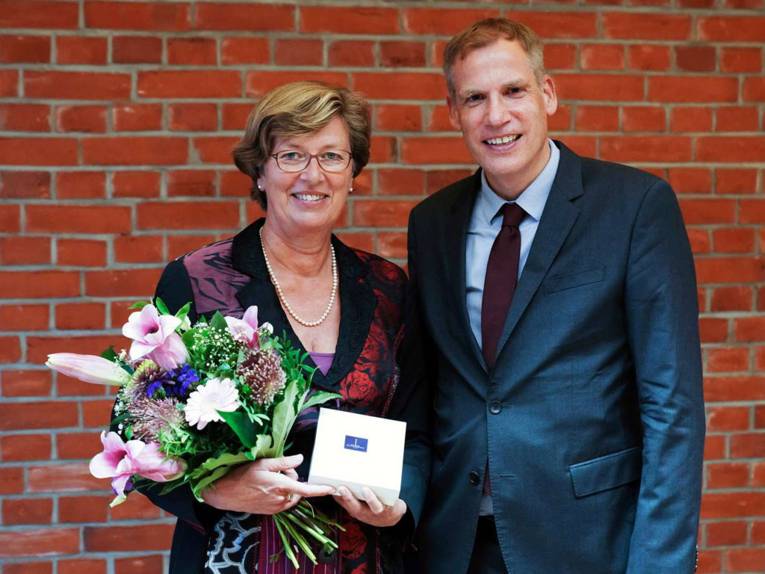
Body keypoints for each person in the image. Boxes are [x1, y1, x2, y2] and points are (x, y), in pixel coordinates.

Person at [406, 18, 705, 574]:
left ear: (547, 94)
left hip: (587, 540)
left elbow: (672, 407)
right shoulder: (432, 224)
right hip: (457, 543)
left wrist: (660, 564)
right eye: (475, 98)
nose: (496, 116)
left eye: (513, 90)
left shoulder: (634, 207)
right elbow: (434, 391)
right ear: (453, 113)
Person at [145, 81, 429, 574]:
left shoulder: (387, 288)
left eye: (332, 156)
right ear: (259, 171)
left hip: (365, 559)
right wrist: (216, 487)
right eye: (291, 155)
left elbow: (419, 432)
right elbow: (141, 429)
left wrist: (400, 503)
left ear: (354, 173)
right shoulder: (199, 280)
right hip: (234, 558)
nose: (312, 175)